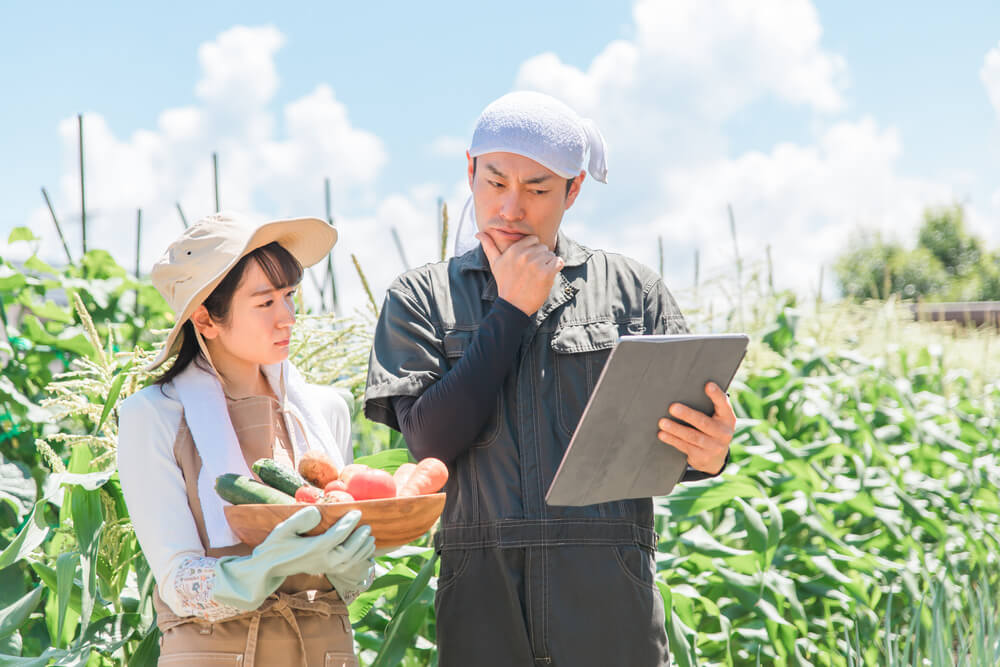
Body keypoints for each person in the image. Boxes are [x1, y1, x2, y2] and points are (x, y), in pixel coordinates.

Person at [364, 91, 735, 666]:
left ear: (574, 189)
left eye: (537, 189)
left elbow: (677, 443)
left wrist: (709, 452)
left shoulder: (633, 292)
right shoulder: (420, 298)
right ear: (469, 171)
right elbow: (429, 445)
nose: (511, 208)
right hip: (481, 596)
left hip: (610, 596)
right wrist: (510, 311)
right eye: (494, 183)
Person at [118, 212, 373, 667]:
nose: (288, 318)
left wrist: (354, 568)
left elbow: (351, 577)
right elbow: (177, 581)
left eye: (290, 296)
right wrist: (259, 569)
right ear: (206, 319)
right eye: (265, 303)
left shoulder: (326, 410)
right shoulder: (153, 416)